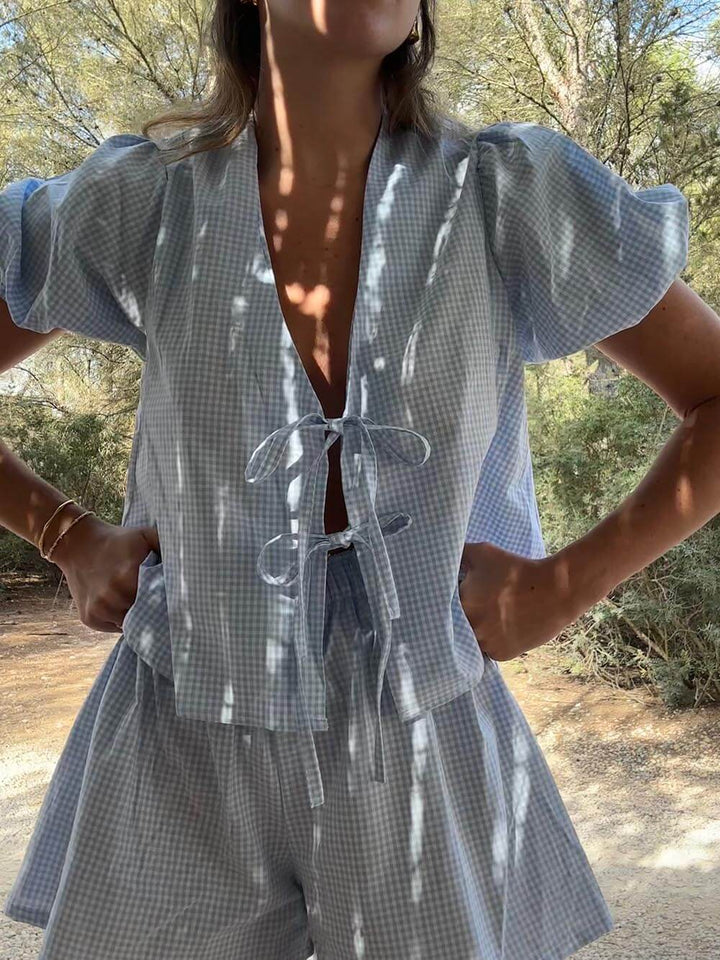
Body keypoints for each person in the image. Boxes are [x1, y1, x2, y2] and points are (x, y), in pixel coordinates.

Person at [2, 1, 720, 958]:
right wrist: (65, 534)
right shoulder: (143, 201)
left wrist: (563, 585)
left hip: (426, 726)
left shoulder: (509, 194)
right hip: (180, 723)